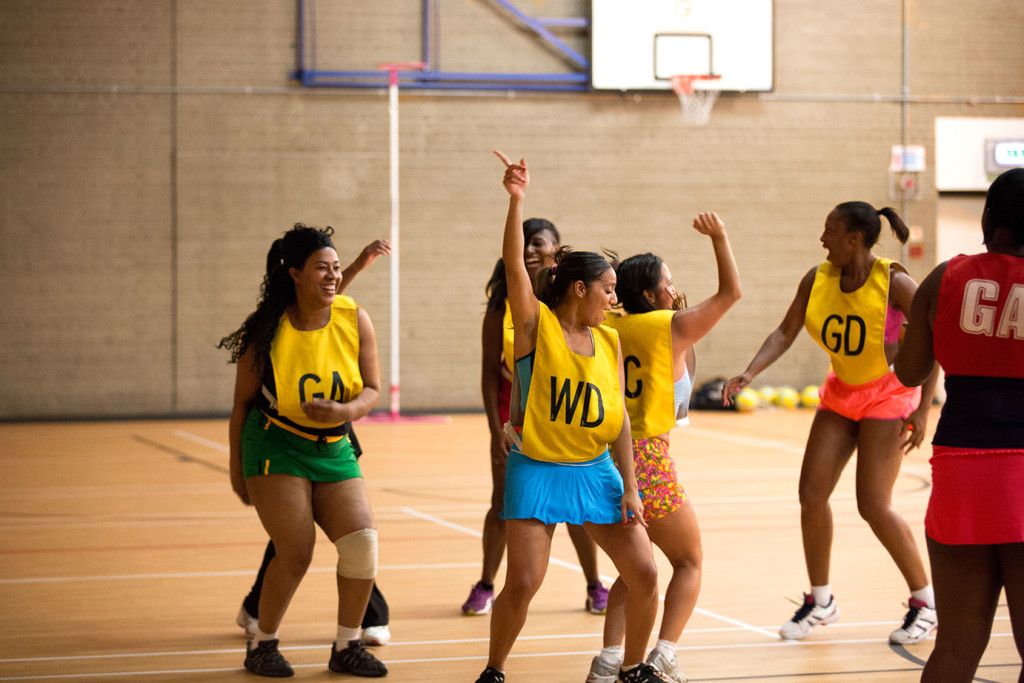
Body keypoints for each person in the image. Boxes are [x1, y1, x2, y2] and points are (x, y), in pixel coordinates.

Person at [474, 151, 661, 683]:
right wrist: (516, 200)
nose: (614, 299)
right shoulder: (536, 327)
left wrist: (629, 484)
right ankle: (494, 669)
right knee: (525, 582)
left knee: (645, 572)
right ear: (580, 290)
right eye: (608, 289)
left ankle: (633, 668)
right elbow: (514, 267)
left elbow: (620, 420)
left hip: (595, 469)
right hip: (536, 469)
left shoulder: (607, 339)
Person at [722, 201, 939, 644]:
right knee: (811, 494)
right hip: (842, 390)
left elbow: (934, 337)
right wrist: (750, 371)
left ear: (853, 239)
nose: (822, 239)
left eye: (829, 231)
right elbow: (786, 331)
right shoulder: (816, 278)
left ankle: (925, 602)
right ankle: (821, 600)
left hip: (890, 392)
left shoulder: (895, 282)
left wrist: (923, 409)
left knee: (873, 505)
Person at [219, 224, 387, 678]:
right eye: (321, 268)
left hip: (332, 445)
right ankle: (262, 642)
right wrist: (237, 469)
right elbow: (240, 405)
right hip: (275, 441)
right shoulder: (269, 329)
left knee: (361, 544)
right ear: (294, 273)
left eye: (336, 268)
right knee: (296, 549)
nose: (332, 276)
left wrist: (345, 410)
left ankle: (347, 645)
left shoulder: (355, 318)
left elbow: (373, 390)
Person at [589, 212, 741, 683]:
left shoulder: (608, 325)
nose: (675, 289)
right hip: (646, 459)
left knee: (634, 570)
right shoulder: (668, 327)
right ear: (652, 294)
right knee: (688, 561)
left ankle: (607, 662)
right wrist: (720, 237)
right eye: (668, 282)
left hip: (599, 459)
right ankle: (663, 657)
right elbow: (731, 293)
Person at [894, 168, 1024, 681]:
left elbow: (909, 371)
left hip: (962, 468)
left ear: (989, 219)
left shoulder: (946, 274)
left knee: (955, 648)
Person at [466, 218, 608, 617]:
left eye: (539, 243)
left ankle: (596, 586)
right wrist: (496, 430)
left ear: (559, 251)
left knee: (580, 510)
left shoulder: (570, 304)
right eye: (525, 243)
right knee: (502, 505)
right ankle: (487, 584)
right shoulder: (504, 309)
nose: (530, 250)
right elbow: (489, 374)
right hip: (519, 415)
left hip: (568, 413)